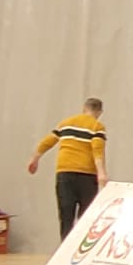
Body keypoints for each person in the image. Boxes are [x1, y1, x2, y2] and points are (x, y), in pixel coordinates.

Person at [27, 97, 107, 239]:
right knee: (86, 215)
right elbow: (97, 150)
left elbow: (48, 141)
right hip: (86, 175)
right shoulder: (97, 127)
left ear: (84, 108)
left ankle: (64, 246)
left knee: (66, 213)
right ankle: (78, 248)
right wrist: (101, 173)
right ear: (99, 112)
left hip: (64, 173)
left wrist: (35, 158)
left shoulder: (66, 123)